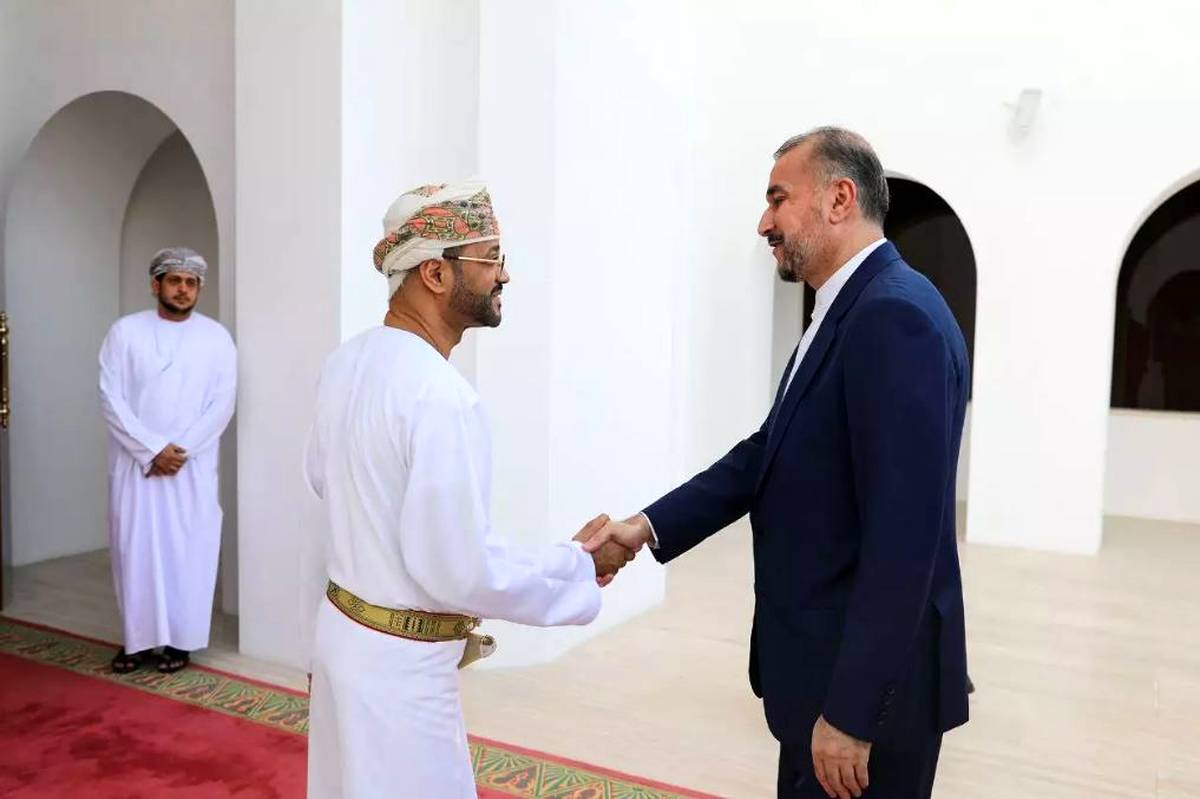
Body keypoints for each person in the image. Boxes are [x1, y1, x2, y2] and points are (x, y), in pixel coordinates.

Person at [587, 128, 971, 799]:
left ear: (839, 199)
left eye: (778, 199)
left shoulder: (892, 317)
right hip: (819, 674)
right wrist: (645, 527)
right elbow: (768, 452)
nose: (764, 223)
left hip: (863, 705)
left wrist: (852, 714)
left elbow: (903, 541)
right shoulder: (850, 306)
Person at [304, 182, 633, 798]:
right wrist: (579, 583)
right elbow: (456, 568)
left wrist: (569, 563)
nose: (503, 275)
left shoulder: (346, 362)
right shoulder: (441, 396)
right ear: (434, 273)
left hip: (344, 642)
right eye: (491, 258)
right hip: (400, 674)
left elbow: (325, 481)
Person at [98, 247, 237, 675]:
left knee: (187, 553)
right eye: (175, 280)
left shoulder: (216, 337)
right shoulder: (124, 333)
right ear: (155, 284)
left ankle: (180, 642)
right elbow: (111, 398)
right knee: (135, 552)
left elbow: (222, 403)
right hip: (136, 467)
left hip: (189, 468)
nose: (183, 289)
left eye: (191, 283)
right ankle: (137, 642)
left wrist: (180, 450)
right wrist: (152, 449)